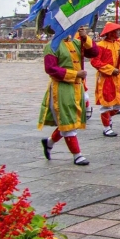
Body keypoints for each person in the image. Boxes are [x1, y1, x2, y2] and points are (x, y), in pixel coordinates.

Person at [39, 26, 99, 166]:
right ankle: (77, 155)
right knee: (67, 121)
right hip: (61, 88)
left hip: (77, 88)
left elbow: (94, 52)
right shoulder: (52, 46)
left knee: (71, 120)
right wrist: (74, 74)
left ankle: (49, 142)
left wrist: (85, 38)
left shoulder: (77, 43)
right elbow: (50, 68)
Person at [91, 22, 120, 137]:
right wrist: (110, 69)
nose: (119, 33)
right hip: (106, 79)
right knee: (106, 104)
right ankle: (106, 127)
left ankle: (108, 118)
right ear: (111, 33)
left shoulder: (118, 45)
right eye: (117, 31)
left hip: (118, 79)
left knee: (118, 105)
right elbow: (95, 61)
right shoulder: (100, 45)